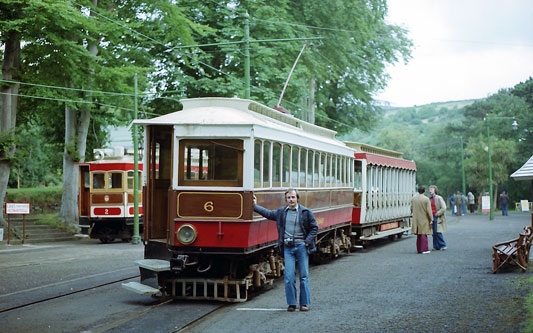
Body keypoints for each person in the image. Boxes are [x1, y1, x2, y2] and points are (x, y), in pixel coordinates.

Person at [253, 189, 318, 312]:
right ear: (286, 199)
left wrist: (306, 242)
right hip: (288, 248)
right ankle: (292, 304)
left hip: (301, 247)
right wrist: (254, 206)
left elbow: (314, 228)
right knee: (288, 277)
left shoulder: (306, 212)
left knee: (303, 276)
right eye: (289, 198)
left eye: (293, 197)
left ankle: (304, 304)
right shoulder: (282, 212)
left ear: (297, 198)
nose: (291, 200)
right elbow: (268, 213)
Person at [411, 186, 433, 254]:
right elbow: (429, 210)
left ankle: (419, 249)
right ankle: (424, 249)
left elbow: (411, 208)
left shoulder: (413, 199)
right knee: (423, 234)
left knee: (419, 235)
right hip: (424, 218)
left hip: (416, 218)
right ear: (424, 191)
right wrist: (431, 219)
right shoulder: (426, 199)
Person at [429, 185, 447, 251]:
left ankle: (443, 245)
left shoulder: (439, 198)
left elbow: (444, 207)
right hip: (431, 217)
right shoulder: (430, 199)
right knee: (433, 232)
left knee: (438, 231)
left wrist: (438, 213)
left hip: (437, 216)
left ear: (435, 190)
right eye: (429, 189)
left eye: (432, 189)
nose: (430, 190)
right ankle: (436, 246)